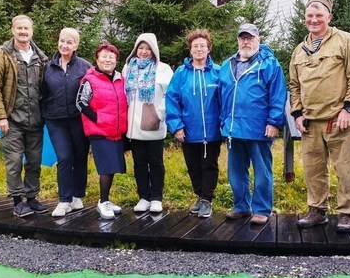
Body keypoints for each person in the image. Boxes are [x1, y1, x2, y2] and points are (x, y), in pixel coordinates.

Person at [289, 0, 350, 233]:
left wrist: (349, 108)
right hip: (310, 122)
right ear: (305, 19)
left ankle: (346, 213)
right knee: (313, 168)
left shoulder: (345, 40)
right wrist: (297, 114)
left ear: (329, 17)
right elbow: (294, 85)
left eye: (319, 15)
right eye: (310, 15)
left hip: (339, 119)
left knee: (345, 168)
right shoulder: (299, 51)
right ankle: (317, 210)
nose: (314, 19)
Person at [218, 23, 287, 226]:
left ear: (258, 39)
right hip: (233, 129)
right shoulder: (226, 65)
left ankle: (262, 209)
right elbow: (222, 96)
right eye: (242, 38)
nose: (246, 41)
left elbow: (278, 95)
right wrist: (223, 121)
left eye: (250, 37)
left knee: (262, 172)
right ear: (238, 40)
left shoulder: (269, 64)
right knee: (236, 171)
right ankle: (241, 206)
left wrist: (274, 122)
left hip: (259, 129)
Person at [0, 14, 49, 218]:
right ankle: (17, 200)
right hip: (11, 120)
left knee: (34, 161)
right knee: (14, 162)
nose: (23, 32)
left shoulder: (41, 57)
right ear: (12, 30)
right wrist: (0, 116)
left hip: (36, 120)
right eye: (19, 28)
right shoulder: (1, 54)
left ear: (32, 31)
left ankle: (31, 198)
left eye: (26, 29)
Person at [165, 29, 222, 218]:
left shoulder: (218, 72)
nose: (199, 49)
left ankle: (207, 200)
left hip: (212, 132)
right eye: (195, 46)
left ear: (209, 48)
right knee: (193, 166)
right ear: (190, 50)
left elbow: (226, 99)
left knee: (209, 166)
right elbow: (172, 99)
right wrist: (177, 126)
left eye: (202, 46)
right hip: (188, 131)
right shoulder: (181, 73)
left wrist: (224, 124)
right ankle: (200, 196)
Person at [41, 28, 92, 217]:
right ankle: (64, 200)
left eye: (69, 42)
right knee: (64, 157)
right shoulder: (47, 66)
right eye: (62, 41)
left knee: (80, 156)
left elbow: (93, 92)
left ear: (76, 45)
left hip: (79, 119)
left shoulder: (85, 67)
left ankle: (78, 196)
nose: (65, 45)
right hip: (55, 119)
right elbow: (41, 93)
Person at [122, 33, 174, 214]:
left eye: (148, 48)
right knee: (139, 163)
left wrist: (159, 114)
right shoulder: (128, 68)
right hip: (133, 126)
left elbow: (171, 95)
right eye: (140, 48)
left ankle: (156, 197)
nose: (144, 52)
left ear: (154, 51)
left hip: (153, 124)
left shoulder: (163, 69)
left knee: (156, 162)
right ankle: (143, 196)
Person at [76, 43, 128, 220]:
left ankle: (105, 200)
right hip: (99, 131)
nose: (108, 60)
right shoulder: (90, 79)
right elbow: (80, 102)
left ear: (116, 60)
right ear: (97, 59)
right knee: (105, 168)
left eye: (111, 57)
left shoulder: (121, 79)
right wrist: (98, 119)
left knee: (112, 167)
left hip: (116, 131)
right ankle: (102, 202)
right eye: (104, 56)